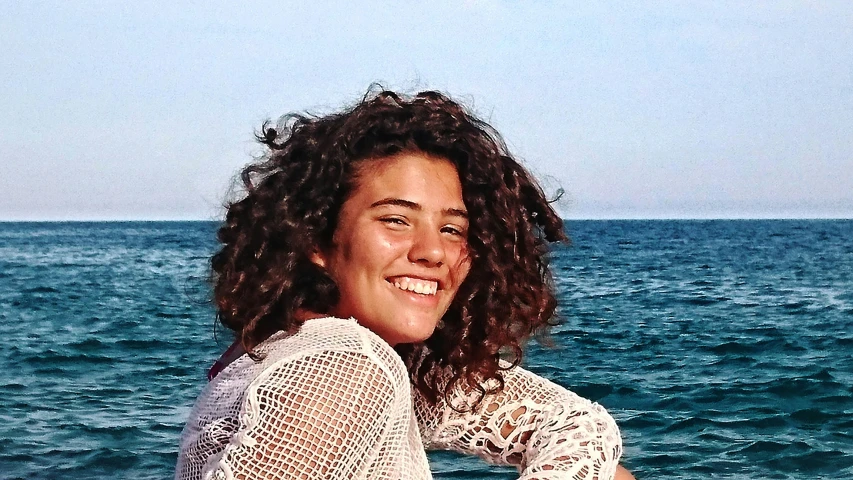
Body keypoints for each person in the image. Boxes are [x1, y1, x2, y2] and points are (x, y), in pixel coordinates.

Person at [176, 89, 633, 480]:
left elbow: (579, 426)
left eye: (453, 229)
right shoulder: (345, 367)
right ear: (315, 237)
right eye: (396, 220)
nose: (433, 251)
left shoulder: (295, 352)